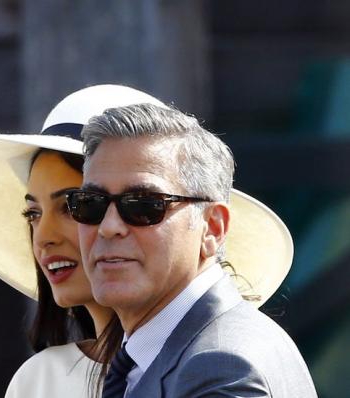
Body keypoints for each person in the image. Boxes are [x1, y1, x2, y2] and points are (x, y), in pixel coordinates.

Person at [0, 85, 167, 397]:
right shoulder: (39, 382)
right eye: (32, 213)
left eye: (75, 206)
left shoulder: (209, 366)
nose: (43, 237)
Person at [66, 103, 318, 397]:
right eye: (90, 203)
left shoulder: (222, 366)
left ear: (212, 228)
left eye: (145, 205)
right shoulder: (174, 354)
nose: (109, 227)